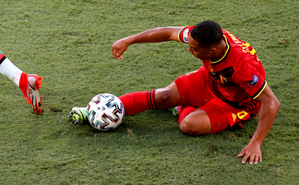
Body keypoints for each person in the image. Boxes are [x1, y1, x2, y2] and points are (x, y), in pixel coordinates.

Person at [110, 20, 280, 164]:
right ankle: (96, 112)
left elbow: (271, 102)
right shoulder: (202, 36)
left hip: (234, 104)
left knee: (189, 125)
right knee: (163, 96)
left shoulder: (242, 66)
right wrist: (129, 40)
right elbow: (168, 33)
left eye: (194, 49)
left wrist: (256, 142)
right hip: (212, 80)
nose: (189, 50)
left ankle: (182, 106)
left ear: (212, 51)